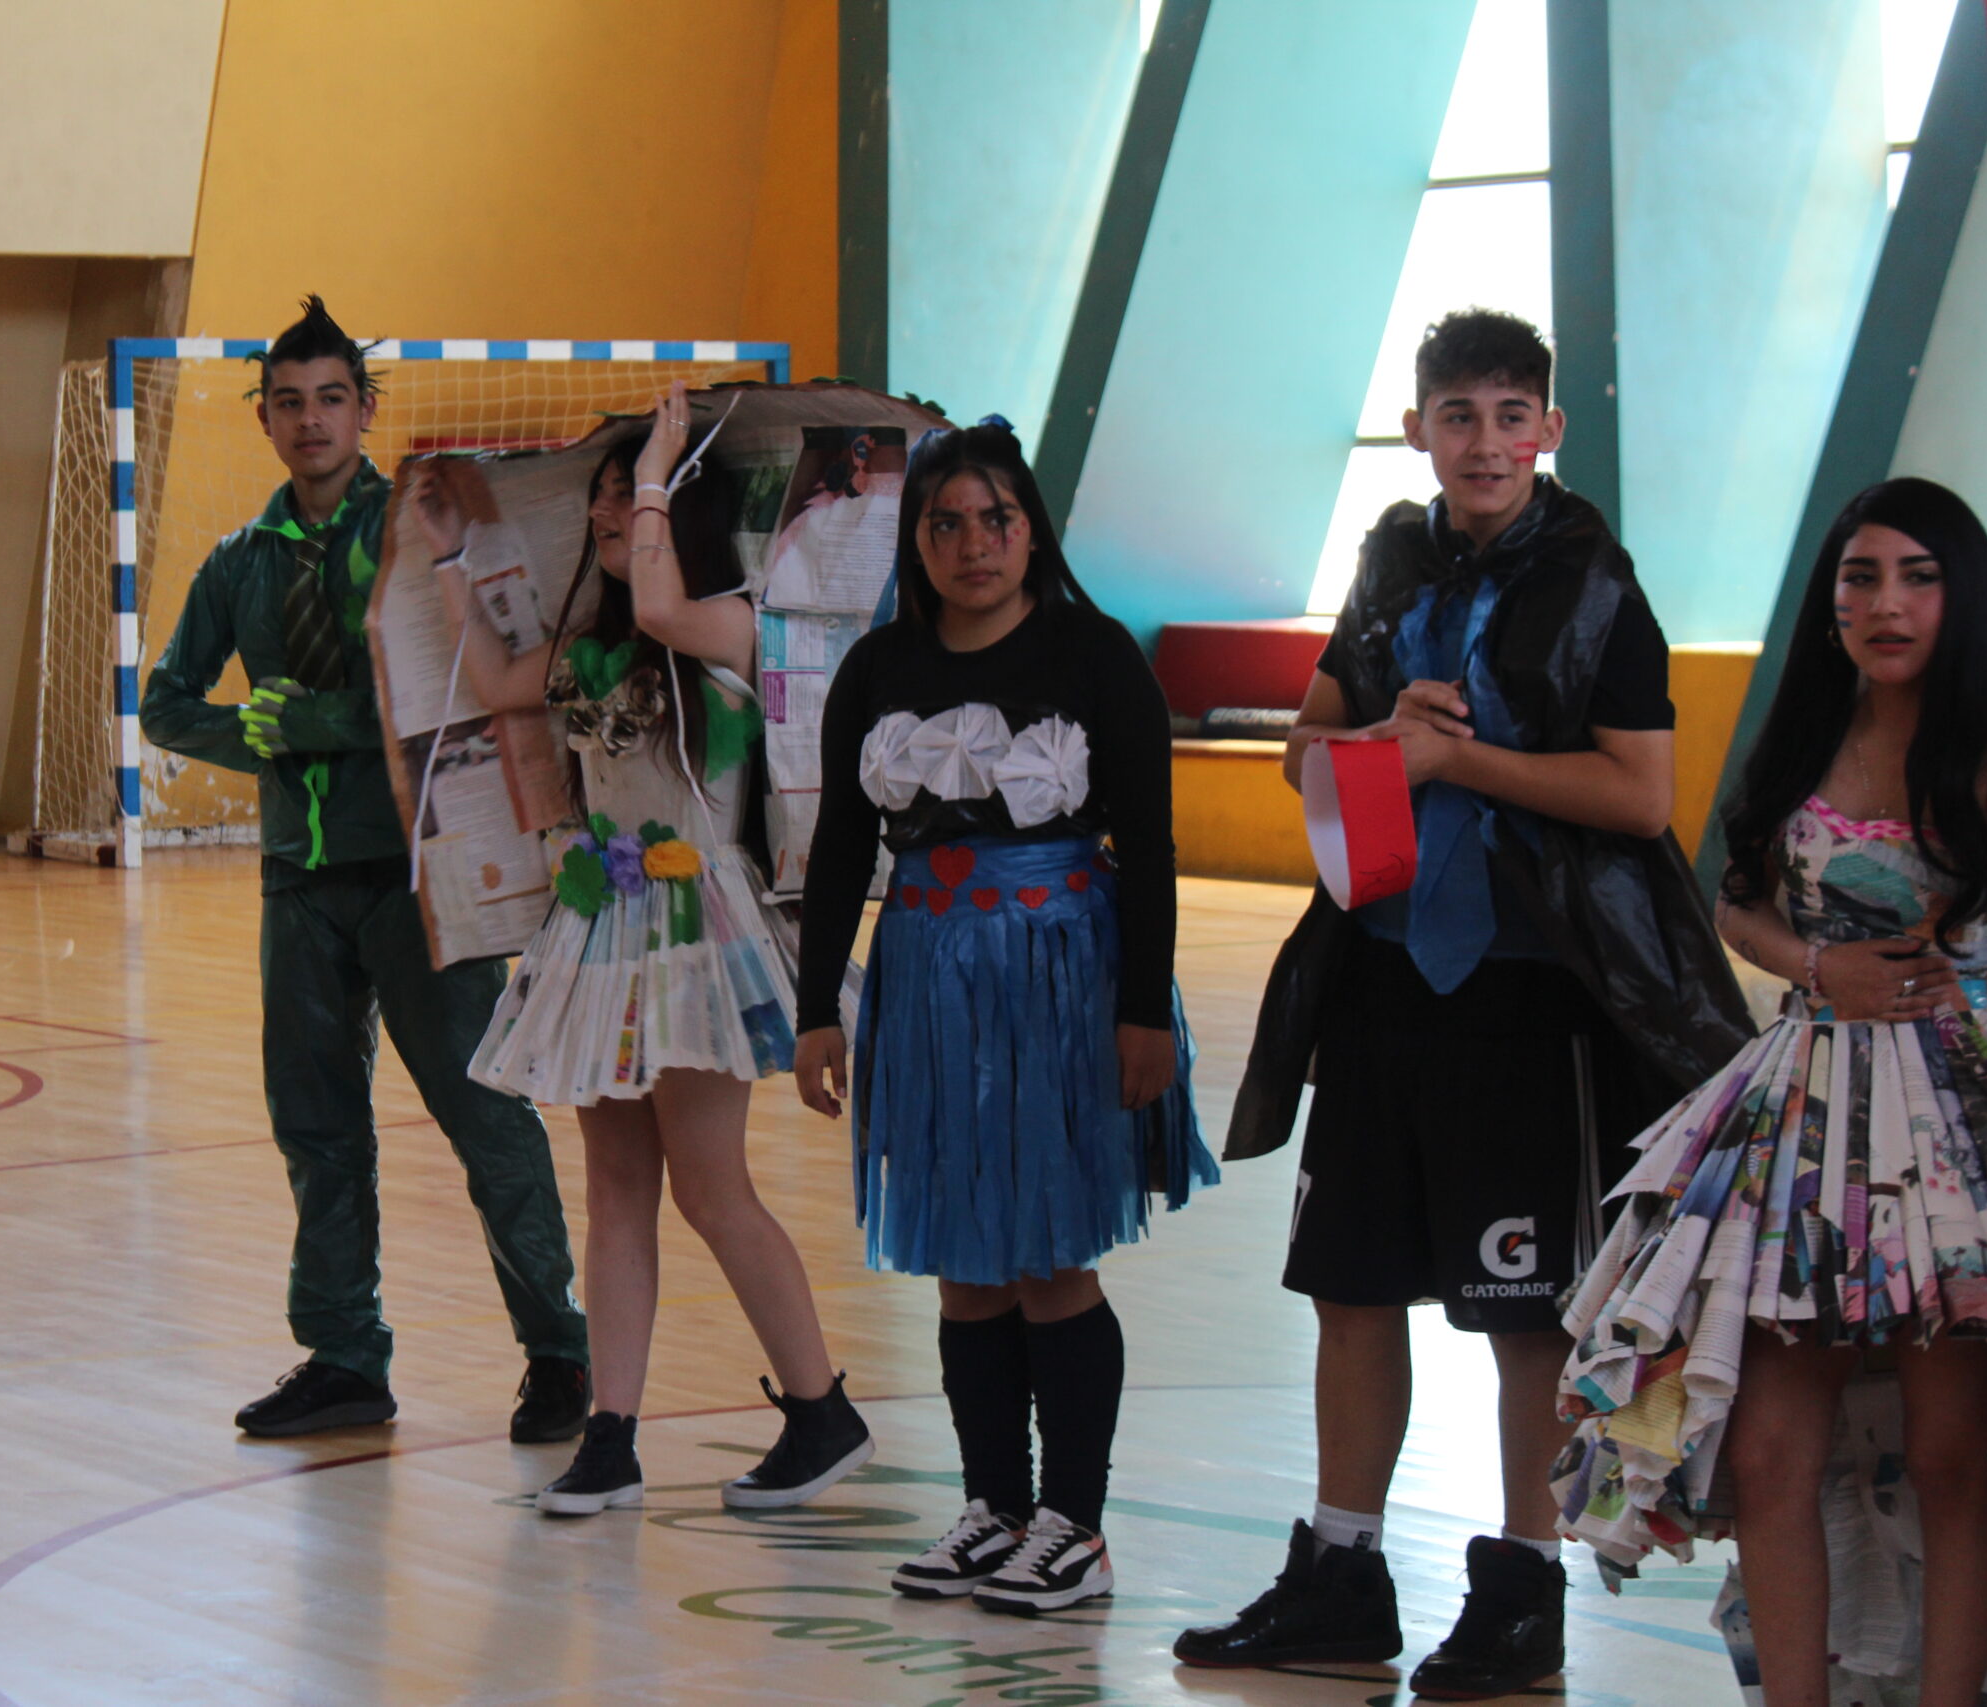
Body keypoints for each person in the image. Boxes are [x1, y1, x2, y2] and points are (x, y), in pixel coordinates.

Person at [1175, 310, 1752, 1699]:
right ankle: (1341, 1572)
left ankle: (1521, 1589)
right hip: (1381, 975)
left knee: (1523, 1309)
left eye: (1508, 414)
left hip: (1529, 989)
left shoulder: (1598, 582)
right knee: (1350, 1282)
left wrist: (1461, 763)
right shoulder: (1390, 562)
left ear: (1548, 430)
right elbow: (1309, 747)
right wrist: (1379, 743)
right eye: (1457, 414)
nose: (1483, 441)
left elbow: (1641, 797)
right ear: (1417, 428)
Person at [1555, 477, 1987, 1707]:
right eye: (1859, 577)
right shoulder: (1803, 729)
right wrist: (1817, 968)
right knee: (1770, 1456)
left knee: (1952, 1462)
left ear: (1964, 597)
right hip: (1797, 1124)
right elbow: (1734, 899)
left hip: (1955, 1133)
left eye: (1918, 577)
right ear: (1830, 603)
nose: (1886, 604)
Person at [418, 380, 874, 1517]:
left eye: (629, 495)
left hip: (697, 927)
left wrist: (662, 459)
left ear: (681, 506)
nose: (609, 512)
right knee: (617, 1189)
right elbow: (494, 683)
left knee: (712, 1187)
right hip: (605, 922)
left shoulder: (732, 623)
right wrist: (449, 556)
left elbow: (665, 610)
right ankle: (611, 1436)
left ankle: (821, 1408)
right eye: (608, 496)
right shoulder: (587, 648)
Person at [140, 297, 590, 1443]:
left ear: (365, 410)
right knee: (316, 1126)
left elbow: (479, 685)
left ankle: (558, 1353)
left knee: (486, 1118)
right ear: (264, 418)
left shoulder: (420, 537)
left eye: (331, 398)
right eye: (289, 402)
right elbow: (167, 704)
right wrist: (253, 734)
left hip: (423, 878)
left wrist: (326, 722)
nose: (311, 420)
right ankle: (343, 1357)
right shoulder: (239, 561)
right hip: (296, 880)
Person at [790, 418, 1215, 1615]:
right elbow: (840, 847)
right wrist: (818, 1007)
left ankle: (1073, 1524)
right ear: (916, 541)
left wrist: (1142, 1012)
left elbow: (1151, 846)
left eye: (996, 520)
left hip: (1060, 976)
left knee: (1048, 1260)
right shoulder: (877, 669)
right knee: (963, 1267)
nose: (973, 544)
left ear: (1030, 530)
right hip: (925, 978)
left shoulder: (1095, 656)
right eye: (946, 524)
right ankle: (994, 1508)